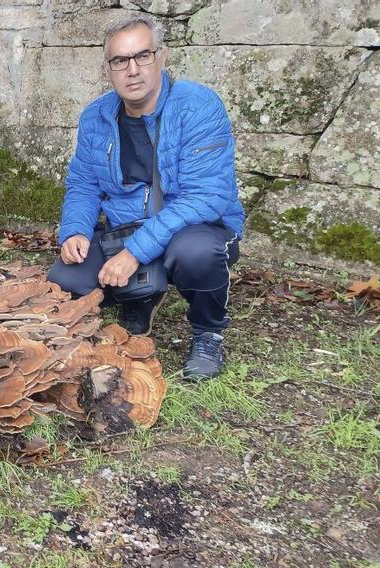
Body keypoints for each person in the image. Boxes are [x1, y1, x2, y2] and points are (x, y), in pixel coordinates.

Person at [48, 15, 245, 381]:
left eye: (143, 56)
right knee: (66, 278)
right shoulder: (97, 116)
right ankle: (141, 296)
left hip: (196, 227)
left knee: (196, 254)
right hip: (127, 228)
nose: (133, 70)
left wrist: (133, 253)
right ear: (108, 69)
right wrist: (75, 229)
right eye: (120, 61)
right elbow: (84, 184)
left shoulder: (198, 107)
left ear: (162, 57)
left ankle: (208, 333)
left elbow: (206, 197)